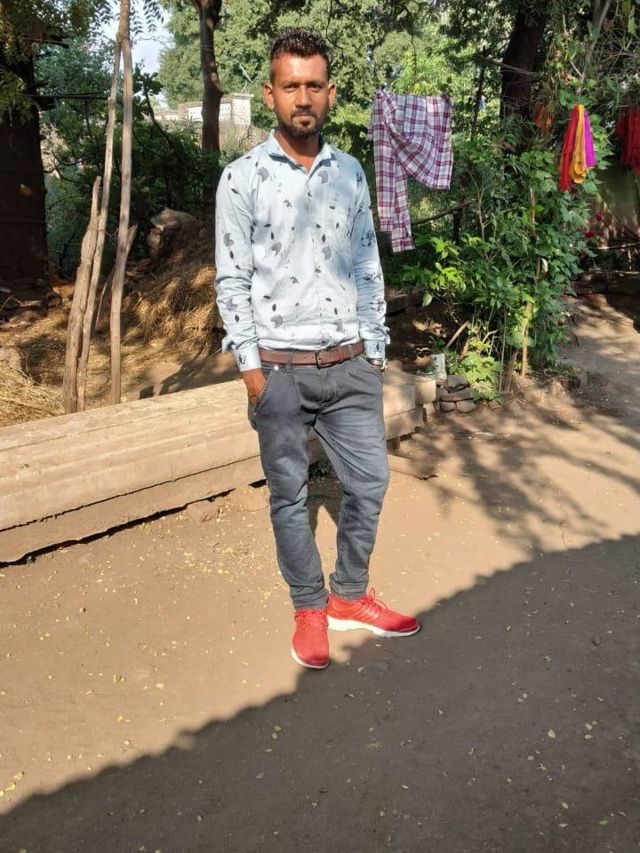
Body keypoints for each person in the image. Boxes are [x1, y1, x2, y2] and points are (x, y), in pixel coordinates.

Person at [215, 27, 420, 670]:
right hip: (279, 371)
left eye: (313, 86)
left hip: (349, 364)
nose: (302, 98)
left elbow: (366, 264)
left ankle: (349, 595)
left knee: (370, 483)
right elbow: (231, 279)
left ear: (330, 93)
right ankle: (308, 605)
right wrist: (252, 372)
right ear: (271, 94)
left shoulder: (350, 173)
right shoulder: (241, 178)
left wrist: (375, 353)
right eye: (290, 86)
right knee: (290, 496)